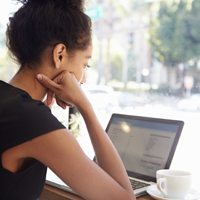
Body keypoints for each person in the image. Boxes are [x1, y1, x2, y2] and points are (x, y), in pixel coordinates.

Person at [0, 0, 136, 200]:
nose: (84, 79)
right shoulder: (32, 120)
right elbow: (124, 198)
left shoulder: (12, 103)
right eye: (85, 64)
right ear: (60, 54)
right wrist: (85, 107)